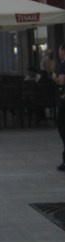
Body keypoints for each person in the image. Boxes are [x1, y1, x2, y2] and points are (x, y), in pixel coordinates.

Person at [56, 42, 65, 171]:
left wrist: (54, 78)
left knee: (62, 127)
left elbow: (62, 81)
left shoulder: (63, 65)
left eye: (59, 50)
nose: (58, 53)